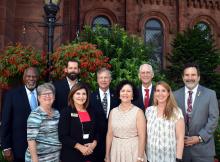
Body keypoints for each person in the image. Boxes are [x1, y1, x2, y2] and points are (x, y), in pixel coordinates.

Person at [174, 63, 219, 162]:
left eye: (193, 75)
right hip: (182, 150)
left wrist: (199, 138)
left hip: (203, 150)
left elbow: (214, 119)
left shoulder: (210, 94)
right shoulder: (175, 95)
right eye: (187, 75)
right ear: (183, 77)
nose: (190, 78)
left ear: (198, 77)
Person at [1, 67, 39, 162]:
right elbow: (6, 122)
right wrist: (6, 147)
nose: (31, 79)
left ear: (37, 78)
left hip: (40, 148)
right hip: (19, 148)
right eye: (28, 76)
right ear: (24, 78)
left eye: (34, 76)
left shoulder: (43, 93)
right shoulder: (12, 95)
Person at [105, 80, 146, 162]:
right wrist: (107, 155)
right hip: (116, 150)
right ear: (119, 94)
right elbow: (109, 134)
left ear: (132, 95)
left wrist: (140, 157)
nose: (125, 93)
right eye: (123, 91)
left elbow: (142, 137)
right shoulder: (113, 112)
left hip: (133, 151)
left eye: (128, 91)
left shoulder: (138, 112)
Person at [146, 81, 185, 162]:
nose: (160, 94)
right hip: (151, 157)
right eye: (158, 90)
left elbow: (180, 138)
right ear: (155, 93)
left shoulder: (177, 112)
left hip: (169, 158)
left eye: (163, 91)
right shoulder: (149, 111)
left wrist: (178, 158)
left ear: (168, 93)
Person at [58, 82, 97, 162]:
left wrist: (94, 144)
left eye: (84, 94)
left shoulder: (92, 111)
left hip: (89, 154)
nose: (81, 96)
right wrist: (80, 147)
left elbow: (97, 131)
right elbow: (63, 136)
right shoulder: (66, 112)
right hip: (72, 156)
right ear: (72, 95)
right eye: (78, 93)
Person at [25, 83, 61, 162]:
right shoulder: (35, 115)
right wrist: (35, 160)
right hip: (39, 158)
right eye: (44, 94)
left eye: (50, 93)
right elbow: (31, 140)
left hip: (55, 157)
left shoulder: (57, 113)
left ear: (54, 97)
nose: (47, 96)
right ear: (39, 98)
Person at [90, 67, 119, 162]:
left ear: (110, 80)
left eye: (106, 77)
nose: (103, 80)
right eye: (101, 78)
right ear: (97, 80)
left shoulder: (117, 96)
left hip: (114, 140)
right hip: (96, 141)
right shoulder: (90, 97)